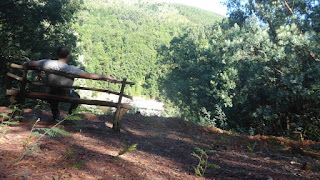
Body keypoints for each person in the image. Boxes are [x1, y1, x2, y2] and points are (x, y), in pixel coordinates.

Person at [25, 46, 116, 120]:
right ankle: (69, 117)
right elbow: (90, 76)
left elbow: (29, 63)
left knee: (53, 99)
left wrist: (38, 71)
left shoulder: (47, 63)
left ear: (57, 54)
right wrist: (106, 76)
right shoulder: (72, 69)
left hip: (50, 92)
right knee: (77, 97)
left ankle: (56, 116)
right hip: (65, 94)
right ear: (68, 56)